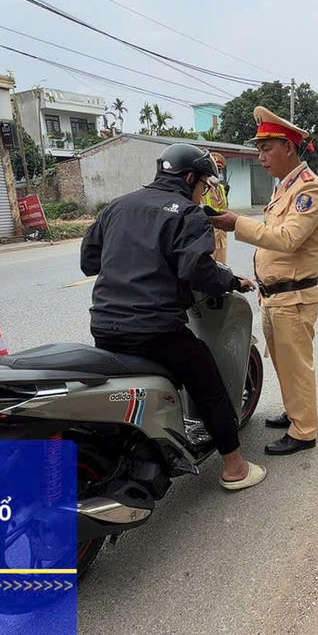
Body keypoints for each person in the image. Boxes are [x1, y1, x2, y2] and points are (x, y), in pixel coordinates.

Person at [80, 142, 266, 491]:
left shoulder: (117, 206)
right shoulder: (186, 212)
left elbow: (89, 262)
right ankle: (235, 468)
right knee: (207, 382)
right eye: (202, 186)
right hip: (155, 329)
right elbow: (198, 272)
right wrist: (233, 281)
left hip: (104, 327)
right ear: (191, 178)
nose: (201, 194)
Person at [210, 107, 318, 456]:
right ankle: (295, 413)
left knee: (296, 365)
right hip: (275, 295)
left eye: (267, 149)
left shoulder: (310, 190)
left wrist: (236, 224)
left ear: (289, 147)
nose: (261, 157)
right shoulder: (283, 188)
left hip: (295, 297)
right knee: (282, 363)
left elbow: (288, 238)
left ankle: (304, 431)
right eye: (259, 150)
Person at [204, 152, 230, 264]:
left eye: (219, 170)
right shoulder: (202, 186)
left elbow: (224, 207)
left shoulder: (222, 188)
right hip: (208, 233)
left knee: (221, 267)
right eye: (216, 170)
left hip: (221, 236)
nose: (218, 173)